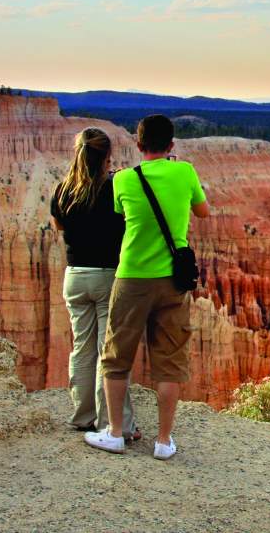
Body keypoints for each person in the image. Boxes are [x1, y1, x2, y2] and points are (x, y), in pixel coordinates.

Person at [84, 114, 209, 460]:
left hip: (132, 277)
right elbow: (203, 212)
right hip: (172, 280)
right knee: (169, 361)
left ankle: (114, 433)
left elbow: (121, 215)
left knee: (116, 355)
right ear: (171, 145)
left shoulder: (123, 179)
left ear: (138, 146)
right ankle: (164, 441)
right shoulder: (185, 172)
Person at [50, 128, 137, 439]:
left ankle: (82, 415)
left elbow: (59, 225)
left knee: (81, 348)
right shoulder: (114, 186)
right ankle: (116, 424)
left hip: (74, 276)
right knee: (109, 351)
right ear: (106, 157)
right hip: (107, 276)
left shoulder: (62, 189)